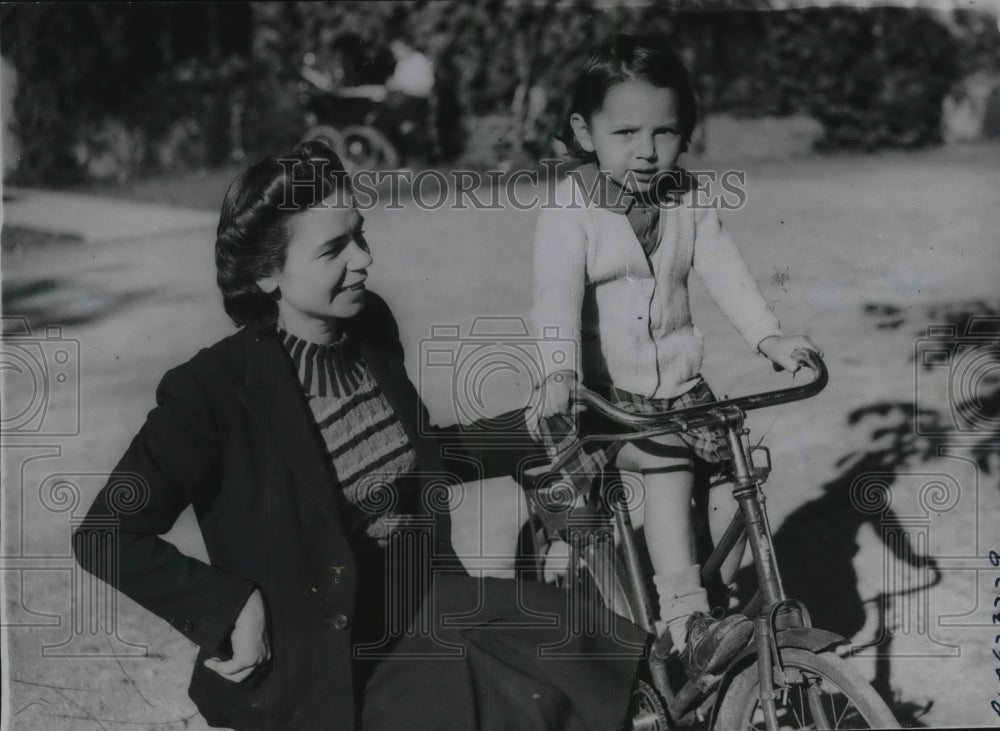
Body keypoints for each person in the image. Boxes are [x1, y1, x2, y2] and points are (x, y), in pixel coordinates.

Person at [73, 141, 643, 731]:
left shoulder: (367, 326)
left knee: (591, 650)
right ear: (268, 273)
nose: (363, 260)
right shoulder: (211, 392)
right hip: (329, 663)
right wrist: (228, 606)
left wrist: (541, 432)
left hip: (425, 603)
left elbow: (410, 459)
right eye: (332, 249)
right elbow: (106, 535)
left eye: (360, 235)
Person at [531, 35, 823, 680]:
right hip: (608, 402)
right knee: (667, 469)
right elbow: (553, 299)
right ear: (585, 132)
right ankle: (687, 619)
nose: (646, 150)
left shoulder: (688, 199)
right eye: (626, 131)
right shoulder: (567, 211)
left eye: (664, 131)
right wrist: (558, 372)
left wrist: (769, 339)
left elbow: (727, 273)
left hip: (682, 391)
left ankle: (723, 595)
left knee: (735, 472)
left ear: (686, 132)